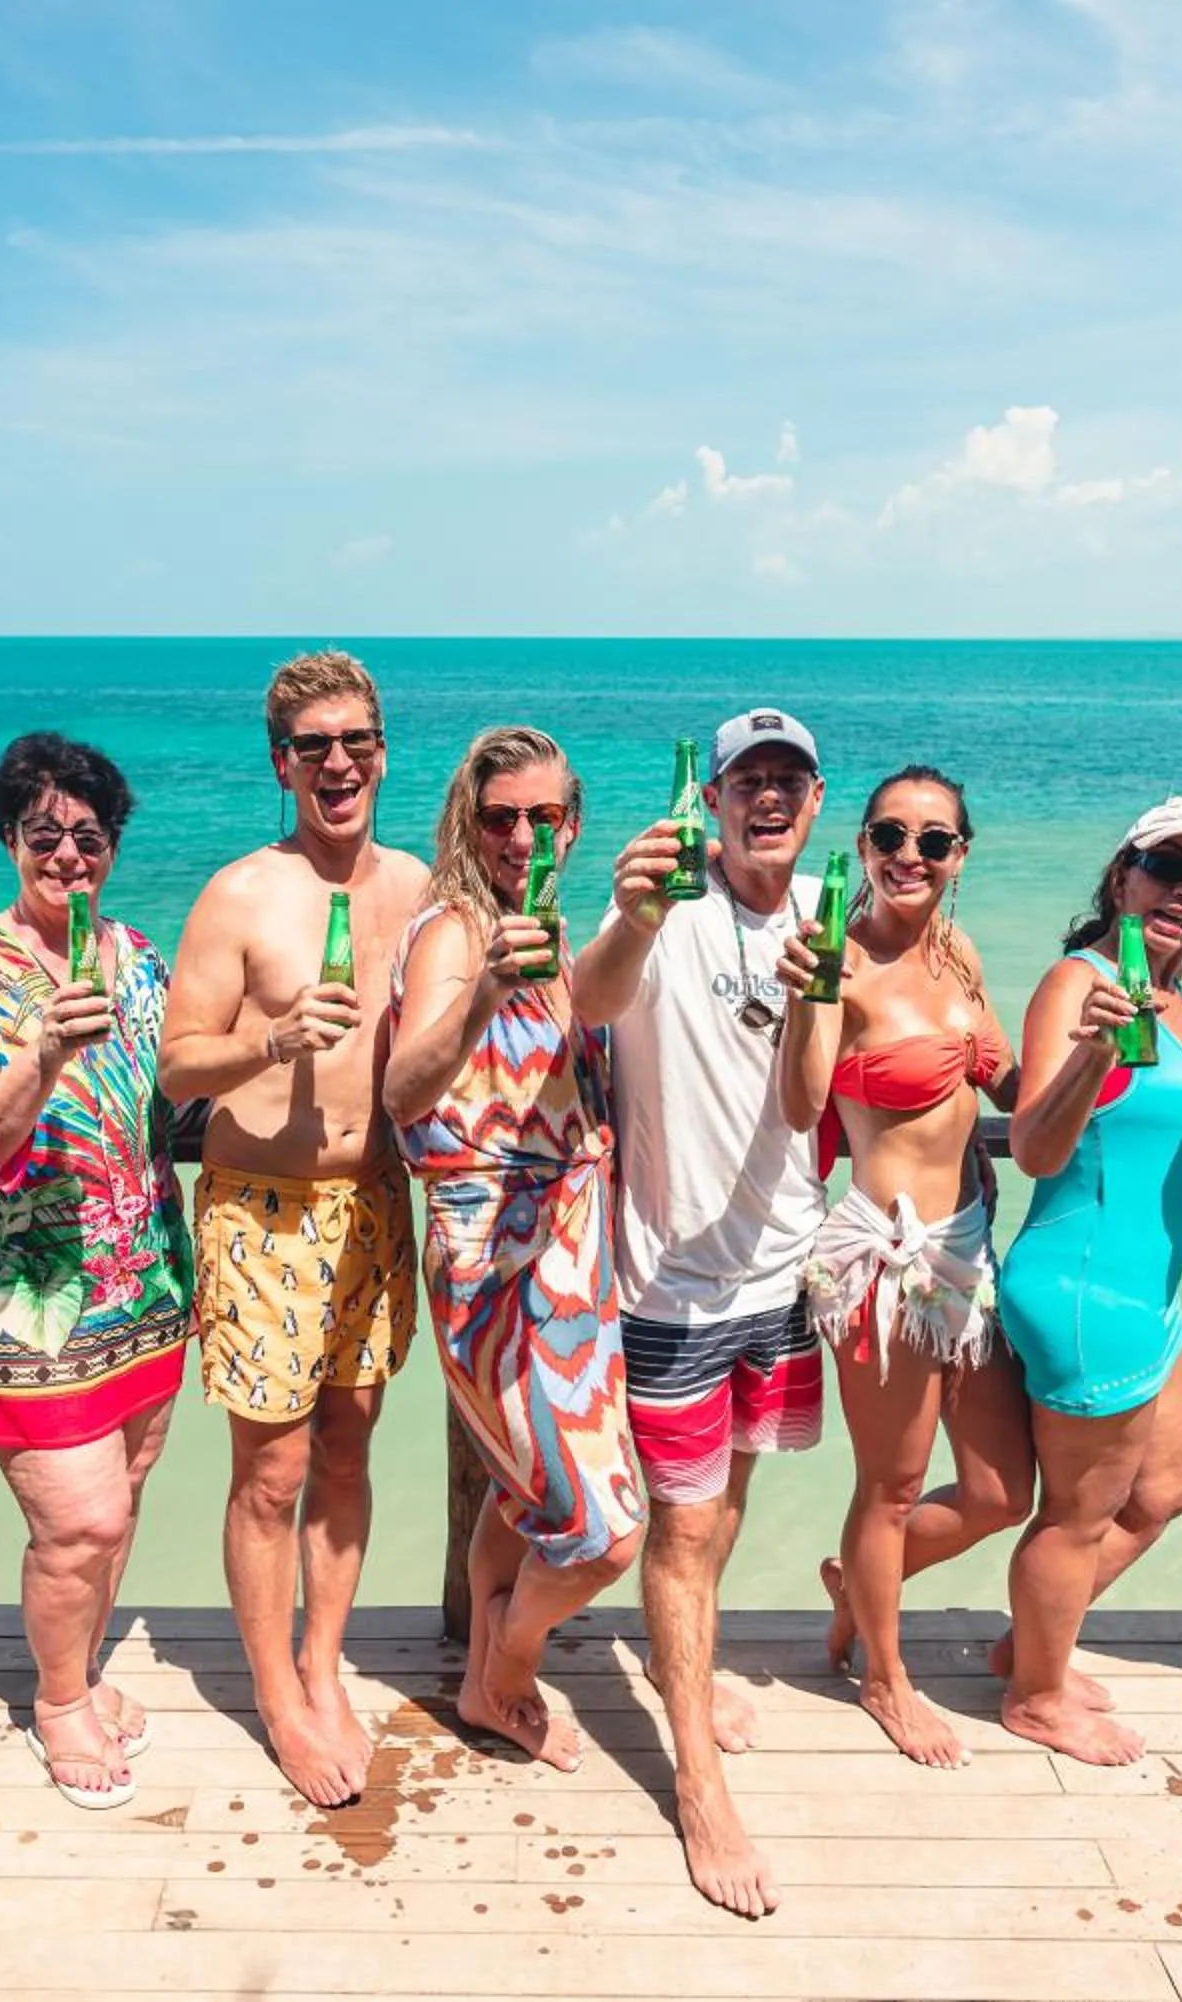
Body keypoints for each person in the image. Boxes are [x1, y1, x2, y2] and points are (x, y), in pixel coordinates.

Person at [568, 706, 832, 1921]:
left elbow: (806, 1097)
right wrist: (632, 910)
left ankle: (695, 1670)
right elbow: (588, 998)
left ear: (814, 802)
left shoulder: (824, 918)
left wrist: (823, 992)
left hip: (782, 1271)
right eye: (748, 782)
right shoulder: (665, 905)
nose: (768, 798)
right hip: (670, 1280)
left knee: (729, 1501)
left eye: (789, 780)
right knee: (678, 1532)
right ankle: (698, 1778)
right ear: (714, 800)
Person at [159, 650, 429, 1808]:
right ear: (282, 763)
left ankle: (323, 1661)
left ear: (381, 752)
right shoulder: (239, 894)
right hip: (261, 1213)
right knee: (270, 1474)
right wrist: (269, 1044)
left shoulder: (417, 885)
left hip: (374, 1202)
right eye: (313, 745)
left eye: (356, 741)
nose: (337, 762)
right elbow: (176, 1063)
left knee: (352, 1446)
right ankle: (276, 1695)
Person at [0, 733, 192, 1812]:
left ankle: (82, 1666)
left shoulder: (142, 957)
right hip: (22, 1301)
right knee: (79, 1522)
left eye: (89, 836)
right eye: (45, 835)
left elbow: (179, 1098)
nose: (68, 855)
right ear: (9, 839)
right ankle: (58, 1700)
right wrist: (40, 1052)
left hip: (143, 1285)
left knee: (121, 1500)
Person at [381, 727, 647, 1773]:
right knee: (601, 1531)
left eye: (544, 816)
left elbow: (594, 1015)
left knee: (530, 1488)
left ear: (573, 824)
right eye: (501, 817)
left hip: (574, 1244)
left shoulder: (547, 918)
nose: (523, 835)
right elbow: (406, 1092)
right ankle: (504, 1664)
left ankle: (490, 1666)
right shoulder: (456, 932)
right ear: (469, 821)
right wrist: (486, 990)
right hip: (492, 1256)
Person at [773, 767, 1029, 1771]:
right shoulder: (844, 964)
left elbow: (1005, 1071)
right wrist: (813, 993)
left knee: (1004, 1490)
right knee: (892, 1485)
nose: (910, 856)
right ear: (865, 846)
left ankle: (857, 1586)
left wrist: (1126, 1061)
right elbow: (801, 1103)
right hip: (881, 1260)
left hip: (967, 1248)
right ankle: (885, 1675)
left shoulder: (958, 952)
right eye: (890, 836)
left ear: (960, 855)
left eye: (933, 840)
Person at [991, 798, 1182, 1765]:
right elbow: (1034, 1150)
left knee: (1169, 1490)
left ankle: (1031, 1643)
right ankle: (1036, 1696)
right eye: (1163, 864)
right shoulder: (1078, 983)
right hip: (1083, 1287)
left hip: (1153, 1291)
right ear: (1120, 874)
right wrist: (1095, 1051)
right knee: (1076, 1514)